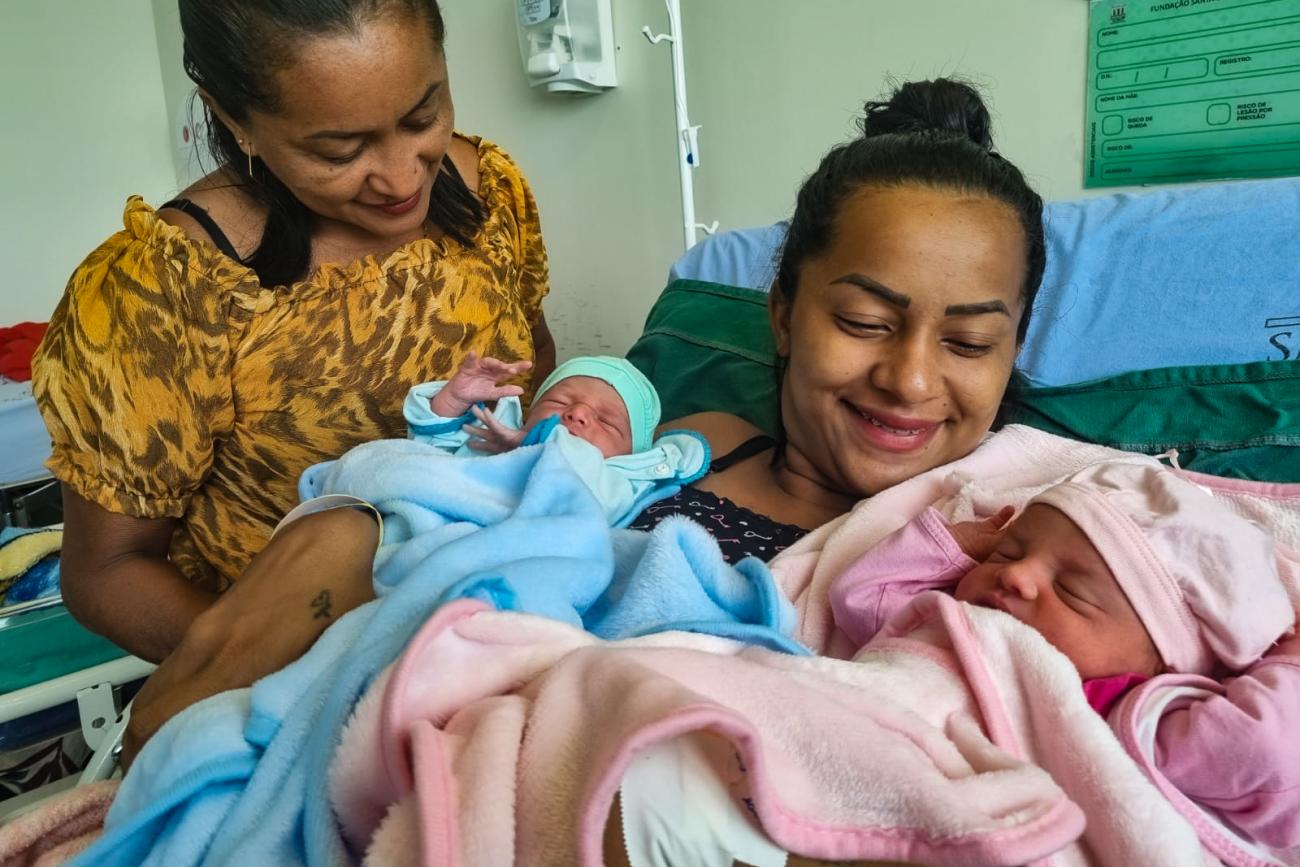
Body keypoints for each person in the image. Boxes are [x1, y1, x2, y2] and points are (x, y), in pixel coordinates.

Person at [123, 75, 1048, 781]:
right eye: (863, 322)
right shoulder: (700, 439)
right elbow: (498, 512)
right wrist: (357, 526)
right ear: (781, 313)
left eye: (969, 340)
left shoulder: (1015, 541)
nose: (912, 378)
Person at [31, 0, 554, 664]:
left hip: (508, 618)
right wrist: (314, 677)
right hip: (294, 672)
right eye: (339, 149)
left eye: (423, 115)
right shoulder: (166, 289)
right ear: (232, 118)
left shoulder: (489, 196)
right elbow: (108, 570)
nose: (401, 176)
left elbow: (533, 356)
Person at [830, 460, 1300, 849]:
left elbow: (1262, 748)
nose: (1019, 576)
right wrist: (957, 545)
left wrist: (1288, 661)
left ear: (1162, 662)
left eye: (1072, 590)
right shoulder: (954, 626)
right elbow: (861, 599)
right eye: (1008, 552)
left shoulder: (1129, 714)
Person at [408, 352, 660, 460]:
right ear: (528, 416)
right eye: (558, 402)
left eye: (606, 421)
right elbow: (429, 456)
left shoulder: (624, 479)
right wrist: (454, 401)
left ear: (634, 452)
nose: (577, 413)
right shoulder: (496, 437)